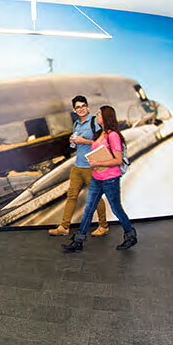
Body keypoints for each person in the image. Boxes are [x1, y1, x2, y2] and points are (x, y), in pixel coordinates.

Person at [63, 105, 137, 252]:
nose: (96, 116)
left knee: (116, 209)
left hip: (110, 179)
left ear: (106, 118)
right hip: (97, 177)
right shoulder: (99, 134)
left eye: (99, 114)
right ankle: (78, 241)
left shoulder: (113, 135)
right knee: (89, 209)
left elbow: (117, 160)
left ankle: (130, 235)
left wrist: (99, 163)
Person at [49, 95, 110, 237]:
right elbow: (75, 145)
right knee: (71, 196)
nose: (81, 109)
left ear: (88, 107)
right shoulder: (76, 124)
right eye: (78, 107)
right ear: (74, 110)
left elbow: (103, 140)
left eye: (83, 106)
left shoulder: (94, 122)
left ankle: (103, 225)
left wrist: (85, 141)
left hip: (91, 166)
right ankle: (64, 227)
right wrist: (73, 141)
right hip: (77, 166)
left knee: (95, 197)